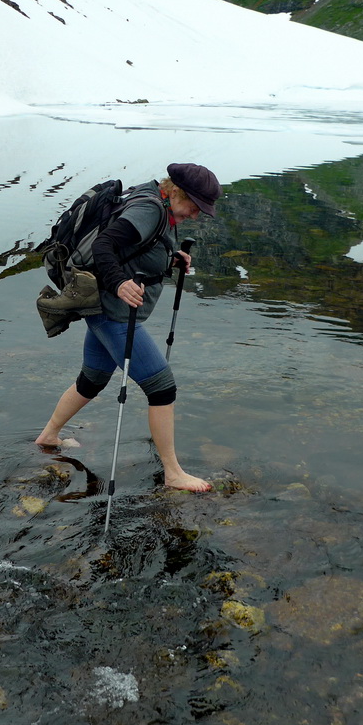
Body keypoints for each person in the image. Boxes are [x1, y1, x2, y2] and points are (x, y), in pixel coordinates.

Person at [35, 162, 222, 492]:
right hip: (113, 311)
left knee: (92, 379)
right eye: (194, 207)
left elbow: (133, 246)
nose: (195, 215)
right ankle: (173, 473)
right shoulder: (150, 209)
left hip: (102, 307)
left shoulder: (153, 197)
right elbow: (103, 246)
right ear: (177, 192)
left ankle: (49, 436)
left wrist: (170, 257)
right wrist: (120, 282)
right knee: (162, 387)